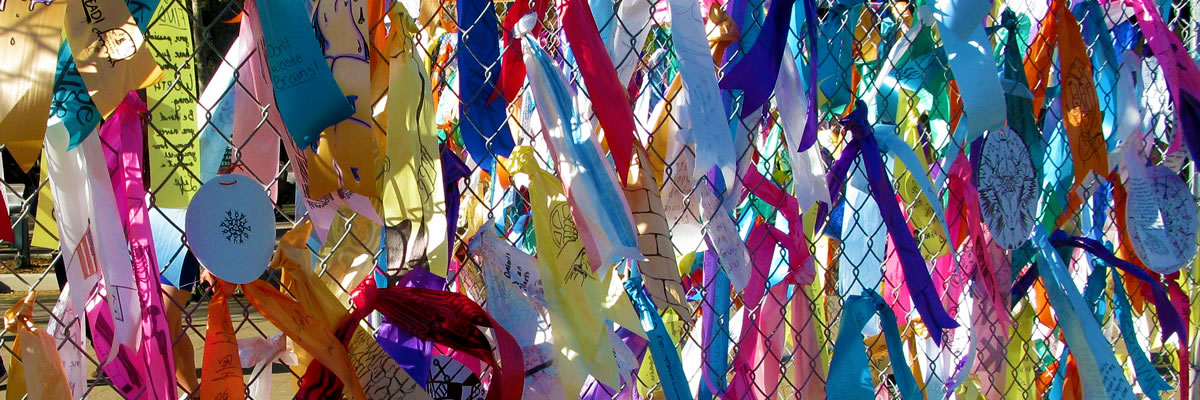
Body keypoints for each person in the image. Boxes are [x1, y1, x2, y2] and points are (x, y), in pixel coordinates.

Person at [160, 250, 214, 395]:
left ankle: (167, 392)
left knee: (161, 325)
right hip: (139, 244)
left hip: (178, 250)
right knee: (173, 327)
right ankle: (194, 393)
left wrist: (210, 264)